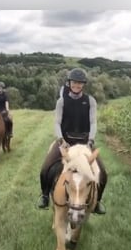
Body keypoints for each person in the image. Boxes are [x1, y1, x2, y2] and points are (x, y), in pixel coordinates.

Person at [37, 68, 108, 214]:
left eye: (80, 83)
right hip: (65, 142)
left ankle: (97, 202)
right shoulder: (61, 101)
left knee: (102, 173)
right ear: (69, 83)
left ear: (83, 84)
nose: (77, 85)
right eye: (74, 82)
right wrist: (60, 140)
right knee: (45, 168)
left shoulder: (90, 101)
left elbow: (93, 122)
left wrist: (91, 140)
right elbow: (57, 122)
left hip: (84, 143)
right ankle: (45, 196)